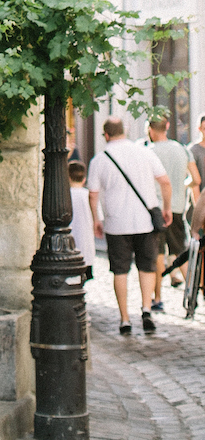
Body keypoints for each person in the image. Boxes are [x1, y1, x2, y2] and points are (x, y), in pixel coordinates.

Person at [87, 118, 172, 335]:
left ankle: (125, 319)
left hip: (116, 224)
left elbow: (93, 195)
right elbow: (165, 181)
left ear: (106, 135)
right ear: (124, 131)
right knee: (147, 267)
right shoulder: (144, 152)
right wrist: (166, 208)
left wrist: (96, 219)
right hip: (145, 221)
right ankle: (146, 309)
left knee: (120, 271)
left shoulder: (100, 159)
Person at [141, 108, 199, 308]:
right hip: (177, 207)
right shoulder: (183, 149)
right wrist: (182, 184)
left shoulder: (149, 152)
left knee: (157, 254)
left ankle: (157, 299)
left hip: (156, 209)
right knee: (179, 251)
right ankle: (193, 294)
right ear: (167, 126)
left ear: (150, 129)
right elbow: (196, 179)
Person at [68, 161, 95, 281]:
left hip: (70, 238)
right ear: (84, 178)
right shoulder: (88, 195)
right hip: (86, 239)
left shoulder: (66, 195)